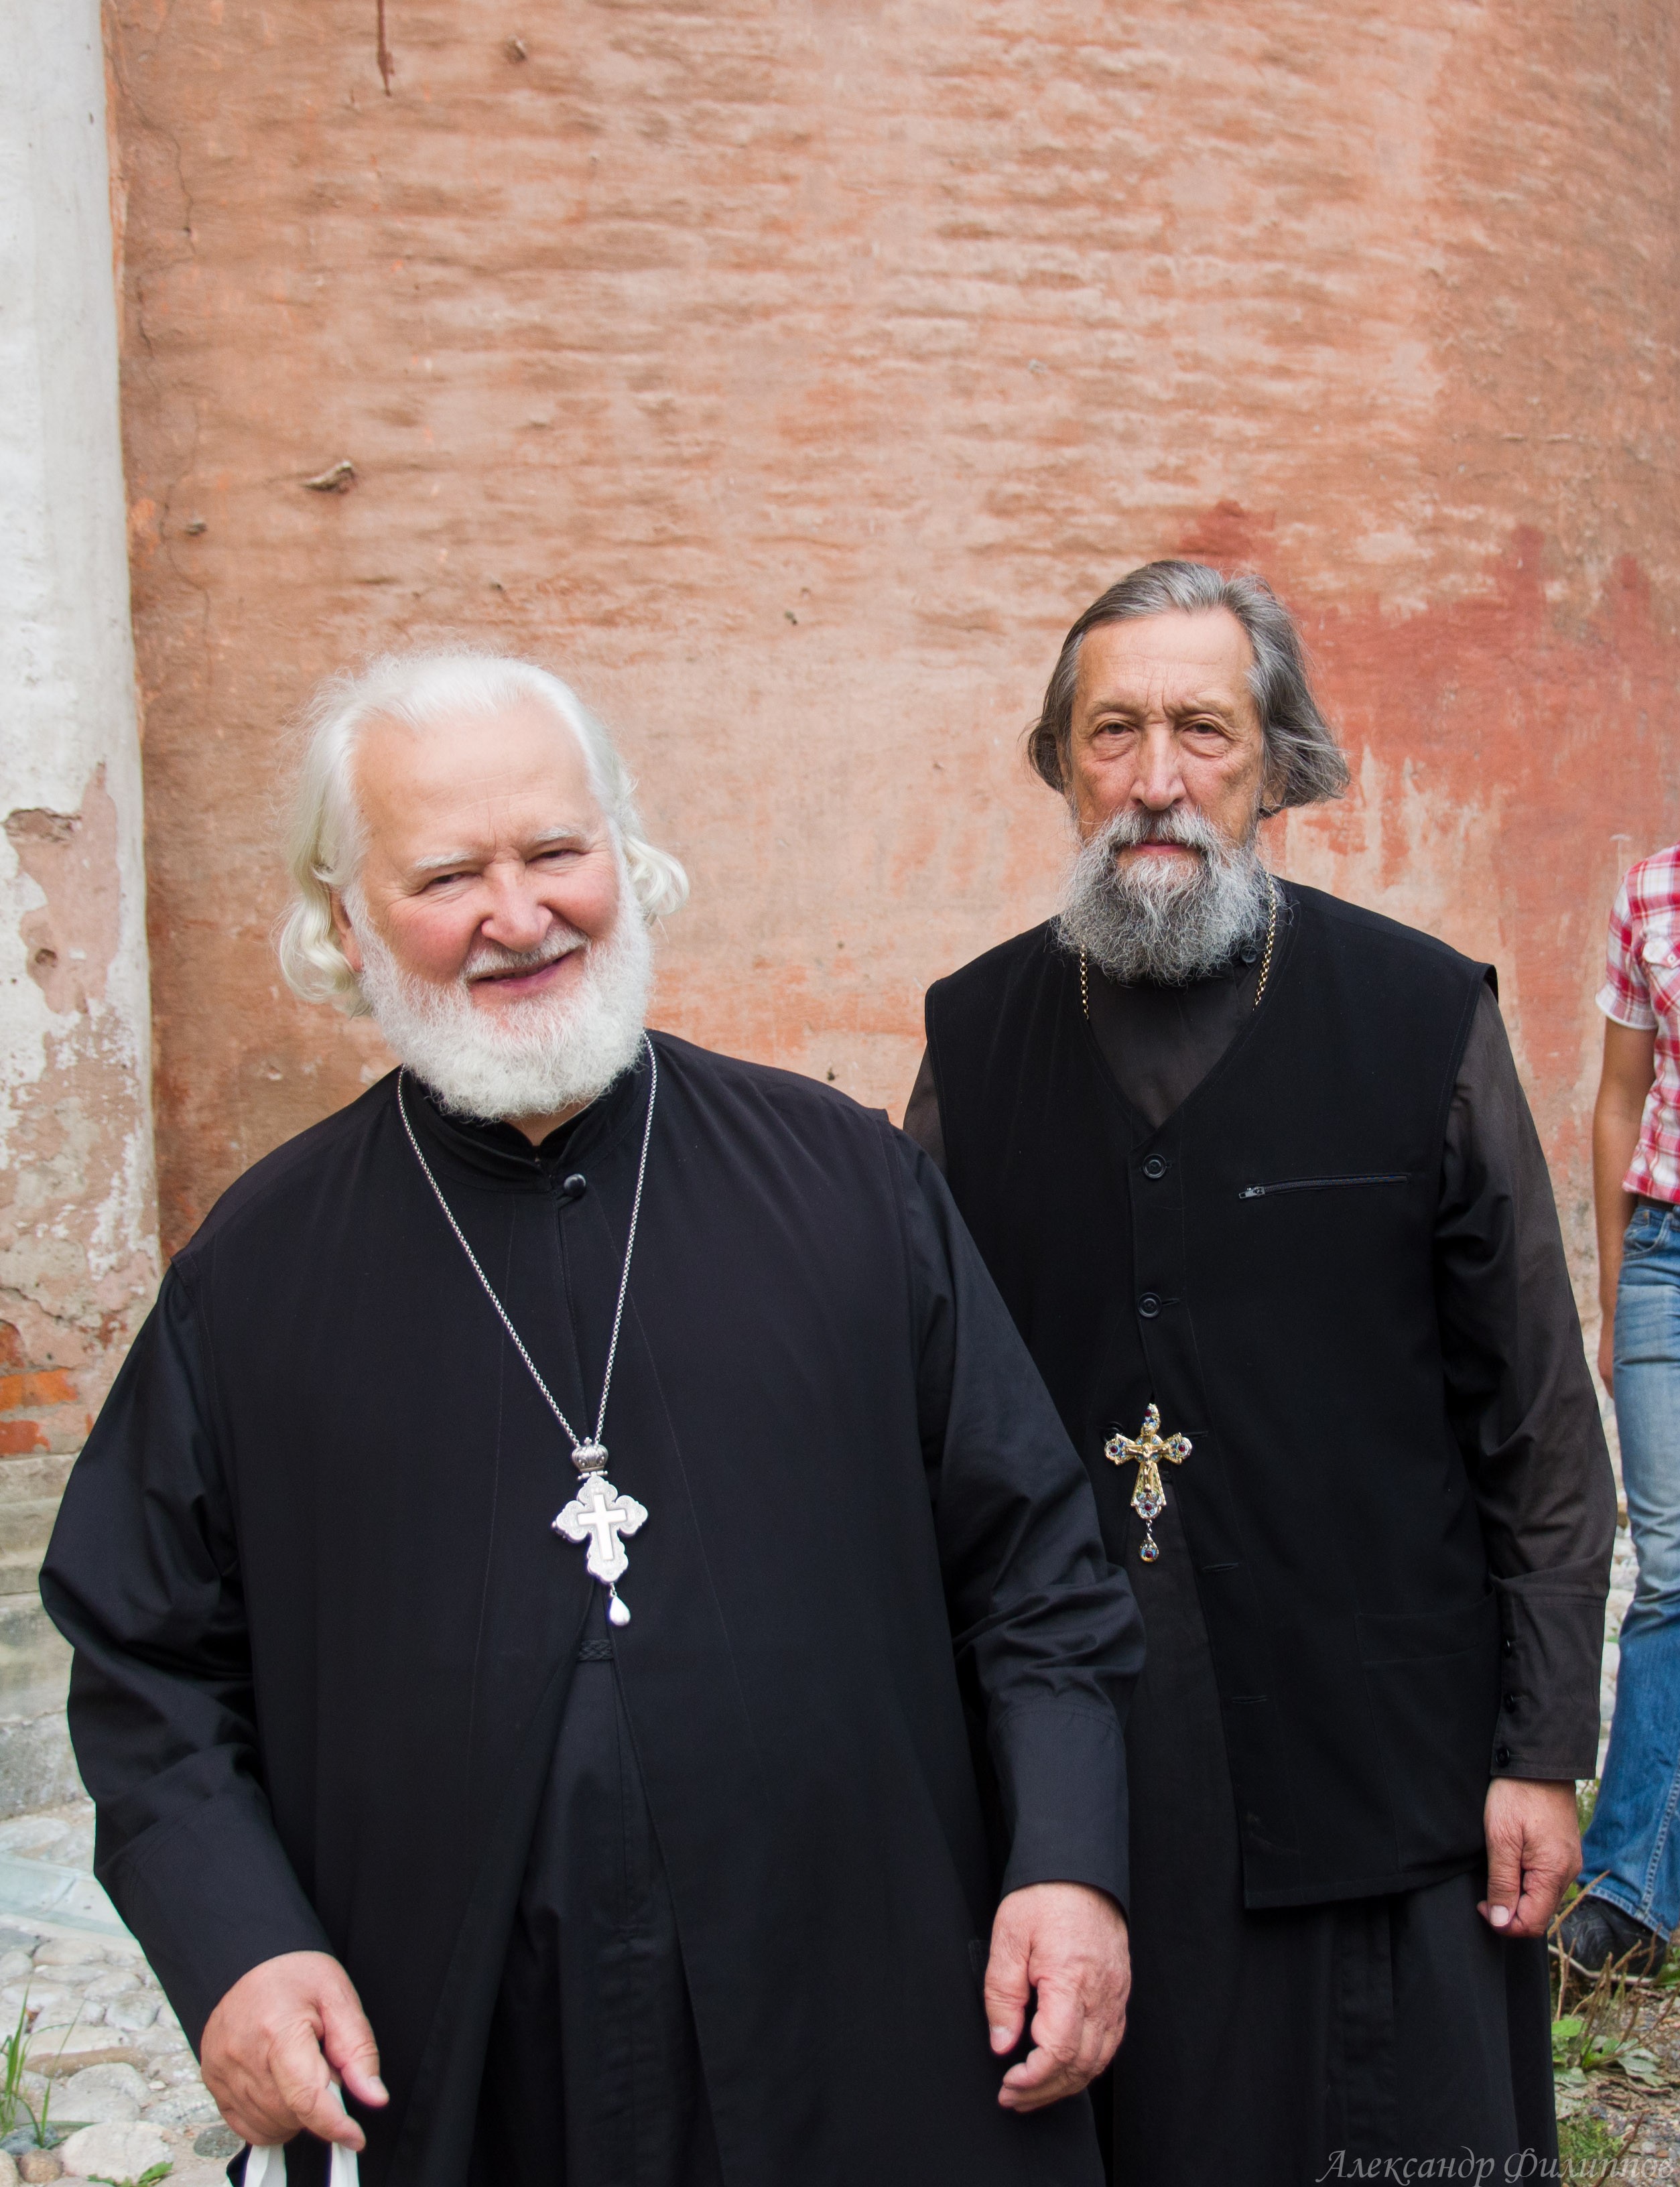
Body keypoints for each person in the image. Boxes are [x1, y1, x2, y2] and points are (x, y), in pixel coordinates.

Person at [42, 651, 1143, 2187]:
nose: (519, 915)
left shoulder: (845, 1184)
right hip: (458, 2071)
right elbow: (147, 1661)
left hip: (870, 2027)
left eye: (558, 851)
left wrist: (1071, 1865)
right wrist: (237, 1950)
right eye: (447, 876)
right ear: (346, 921)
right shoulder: (258, 1272)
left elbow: (1034, 1570)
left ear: (625, 856)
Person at [903, 561, 1616, 2185]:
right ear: (1061, 763)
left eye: (1202, 731)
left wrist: (1537, 1745)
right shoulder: (976, 1039)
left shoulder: (1421, 1018)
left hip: (1380, 1748)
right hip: (1083, 1760)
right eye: (1113, 732)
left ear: (1276, 762)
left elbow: (1534, 1421)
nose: (1155, 778)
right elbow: (913, 1402)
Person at [1557, 843, 1680, 1981]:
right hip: (1665, 1256)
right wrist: (1612, 1288)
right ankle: (1629, 1893)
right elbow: (1617, 1096)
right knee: (1672, 1568)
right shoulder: (1652, 889)